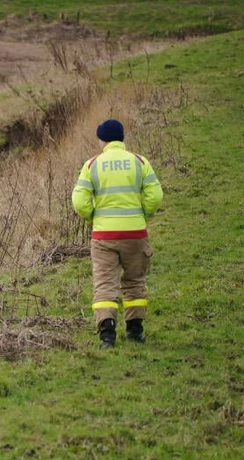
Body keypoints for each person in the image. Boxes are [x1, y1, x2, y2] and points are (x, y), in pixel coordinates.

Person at [72, 119, 163, 348]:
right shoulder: (140, 162)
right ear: (122, 138)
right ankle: (135, 331)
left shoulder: (92, 164)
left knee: (104, 284)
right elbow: (156, 196)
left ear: (102, 140)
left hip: (104, 237)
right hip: (135, 234)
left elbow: (79, 201)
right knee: (135, 281)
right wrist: (143, 214)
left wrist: (93, 217)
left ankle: (107, 335)